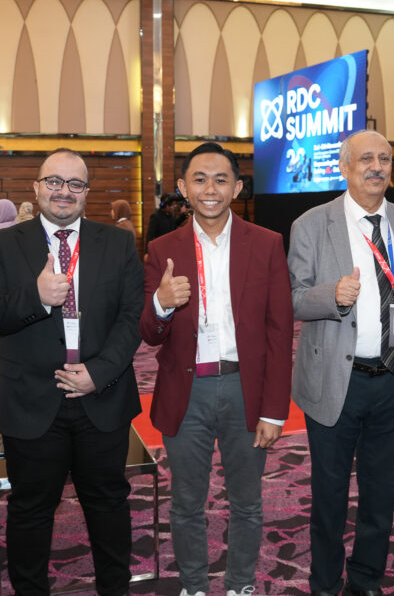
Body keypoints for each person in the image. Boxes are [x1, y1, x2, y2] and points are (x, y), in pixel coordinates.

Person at [0, 148, 143, 596]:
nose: (63, 191)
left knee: (108, 505)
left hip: (101, 397)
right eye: (54, 181)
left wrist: (99, 372)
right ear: (36, 188)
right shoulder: (4, 244)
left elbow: (132, 319)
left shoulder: (118, 243)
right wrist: (35, 296)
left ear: (87, 192)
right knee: (30, 511)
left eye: (75, 184)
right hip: (31, 401)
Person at [140, 142, 294, 596]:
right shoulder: (162, 249)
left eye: (221, 179)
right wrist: (161, 304)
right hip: (187, 393)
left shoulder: (266, 243)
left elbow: (279, 331)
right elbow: (149, 333)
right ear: (184, 187)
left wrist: (274, 409)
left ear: (237, 188)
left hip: (246, 388)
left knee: (246, 501)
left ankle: (240, 584)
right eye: (200, 179)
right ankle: (193, 585)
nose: (211, 189)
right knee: (187, 502)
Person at [288, 129, 394, 596]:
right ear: (344, 167)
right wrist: (333, 295)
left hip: (393, 375)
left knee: (381, 490)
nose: (377, 167)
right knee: (329, 494)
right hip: (336, 379)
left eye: (385, 159)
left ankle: (367, 578)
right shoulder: (311, 223)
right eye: (366, 158)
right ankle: (325, 583)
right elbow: (293, 299)